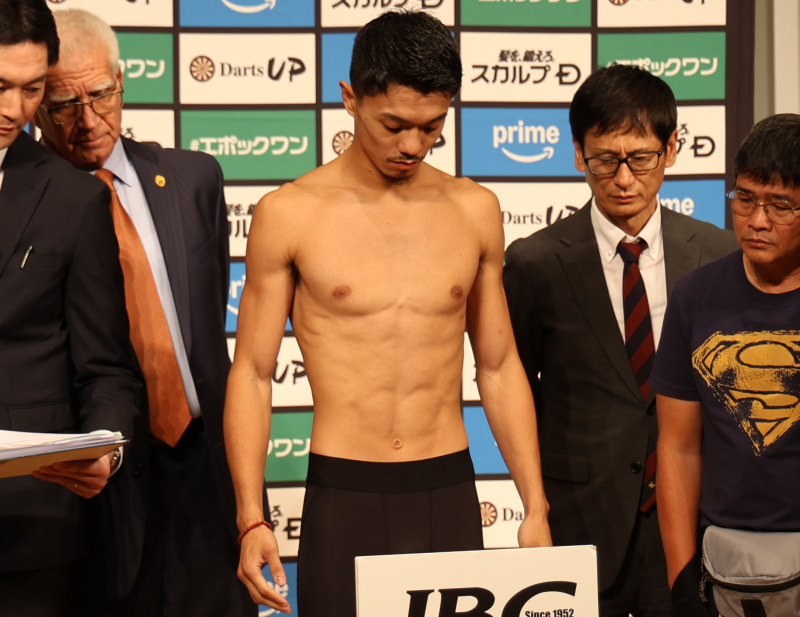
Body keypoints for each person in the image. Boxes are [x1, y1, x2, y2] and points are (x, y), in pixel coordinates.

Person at [224, 10, 552, 617]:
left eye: (432, 127)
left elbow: (500, 365)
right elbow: (252, 373)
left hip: (447, 485)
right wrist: (251, 518)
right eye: (394, 125)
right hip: (343, 487)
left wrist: (534, 504)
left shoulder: (474, 209)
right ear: (350, 98)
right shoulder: (288, 213)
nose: (412, 146)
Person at [34, 8, 260, 617]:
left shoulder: (193, 178)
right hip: (90, 476)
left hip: (204, 465)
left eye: (100, 95)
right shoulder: (26, 202)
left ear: (121, 81)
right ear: (34, 106)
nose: (88, 121)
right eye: (63, 105)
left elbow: (206, 324)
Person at [502, 64, 737, 617]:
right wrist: (534, 506)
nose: (624, 178)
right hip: (579, 517)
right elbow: (515, 388)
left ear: (671, 149)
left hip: (695, 519)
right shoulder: (535, 262)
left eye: (641, 158)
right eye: (605, 159)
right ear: (578, 154)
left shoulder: (719, 254)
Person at [0, 1, 145, 616]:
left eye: (32, 89)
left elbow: (106, 368)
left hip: (25, 527)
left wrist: (105, 449)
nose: (14, 110)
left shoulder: (72, 198)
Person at [652, 113, 800, 616]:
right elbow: (677, 448)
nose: (757, 220)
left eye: (780, 205)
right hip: (725, 566)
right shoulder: (695, 296)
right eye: (745, 199)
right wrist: (682, 582)